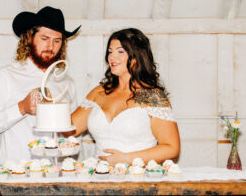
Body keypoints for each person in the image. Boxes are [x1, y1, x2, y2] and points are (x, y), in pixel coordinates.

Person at [0, 6, 81, 163]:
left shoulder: (67, 82)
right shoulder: (6, 76)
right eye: (44, 38)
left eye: (57, 41)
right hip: (16, 177)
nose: (50, 46)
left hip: (57, 176)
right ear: (29, 38)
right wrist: (21, 107)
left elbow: (71, 133)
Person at [69, 28, 180, 166]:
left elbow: (171, 148)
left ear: (136, 56)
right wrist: (48, 104)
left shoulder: (151, 96)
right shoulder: (99, 92)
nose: (112, 57)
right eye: (110, 51)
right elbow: (67, 129)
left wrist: (127, 158)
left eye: (120, 51)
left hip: (137, 178)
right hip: (99, 177)